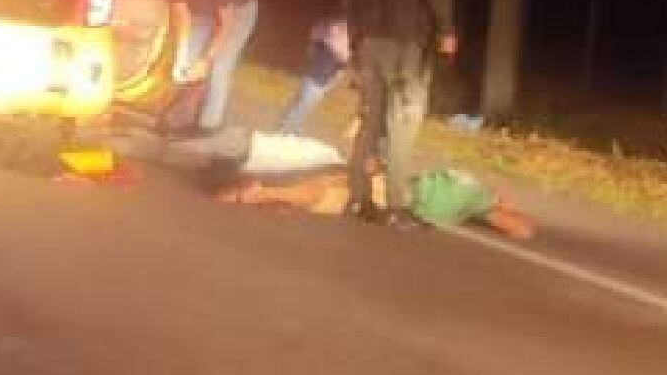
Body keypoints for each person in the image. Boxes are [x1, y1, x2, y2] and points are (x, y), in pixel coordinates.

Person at [342, 0, 457, 227]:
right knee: (402, 125)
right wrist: (448, 31)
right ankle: (395, 206)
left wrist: (355, 42)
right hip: (405, 48)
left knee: (370, 121)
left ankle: (358, 199)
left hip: (368, 45)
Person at [215, 158, 534, 240]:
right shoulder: (476, 195)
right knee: (333, 192)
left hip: (399, 186)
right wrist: (497, 207)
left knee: (334, 186)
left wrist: (498, 206)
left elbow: (520, 228)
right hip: (399, 193)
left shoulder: (467, 184)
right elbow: (522, 230)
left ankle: (269, 193)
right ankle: (267, 193)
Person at [162, 0, 259, 136]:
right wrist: (182, 56)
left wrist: (205, 60)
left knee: (219, 66)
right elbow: (183, 18)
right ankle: (183, 113)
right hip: (205, 11)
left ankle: (209, 124)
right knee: (187, 63)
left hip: (240, 11)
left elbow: (226, 25)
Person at [276, 18, 351, 134]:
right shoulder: (331, 43)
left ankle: (290, 127)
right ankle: (286, 129)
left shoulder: (327, 41)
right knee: (302, 106)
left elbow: (340, 70)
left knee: (301, 104)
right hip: (317, 79)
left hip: (318, 79)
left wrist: (331, 84)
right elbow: (340, 69)